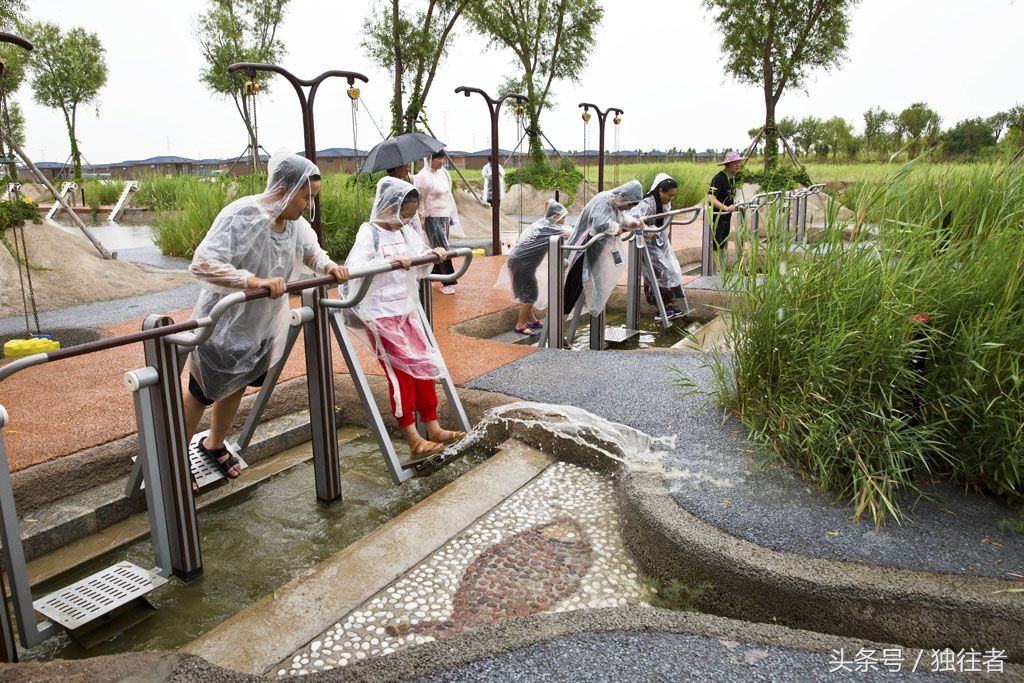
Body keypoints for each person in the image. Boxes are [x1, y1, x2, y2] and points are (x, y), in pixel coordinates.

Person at [185, 151, 349, 487]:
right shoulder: (241, 215)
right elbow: (202, 264)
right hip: (224, 325)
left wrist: (329, 266)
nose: (309, 205)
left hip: (260, 327)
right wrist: (252, 281)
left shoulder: (294, 224)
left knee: (238, 383)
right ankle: (174, 458)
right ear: (284, 190)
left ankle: (214, 443)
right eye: (306, 197)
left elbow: (311, 252)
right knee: (201, 393)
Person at [343, 176, 466, 463]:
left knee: (423, 365)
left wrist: (432, 255)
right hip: (379, 314)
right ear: (388, 207)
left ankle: (433, 428)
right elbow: (356, 269)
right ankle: (412, 438)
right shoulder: (370, 233)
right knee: (400, 374)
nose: (407, 220)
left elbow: (419, 259)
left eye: (410, 215)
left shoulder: (404, 231)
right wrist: (388, 264)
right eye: (404, 214)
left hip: (404, 311)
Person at [562, 180, 645, 316]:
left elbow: (620, 218)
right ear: (623, 197)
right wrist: (617, 229)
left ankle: (572, 320)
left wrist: (634, 223)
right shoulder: (603, 200)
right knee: (572, 287)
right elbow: (600, 224)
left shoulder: (614, 203)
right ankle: (558, 323)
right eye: (629, 204)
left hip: (594, 249)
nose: (627, 208)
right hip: (581, 249)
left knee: (591, 283)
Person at [494, 199, 573, 336]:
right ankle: (520, 325)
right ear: (555, 216)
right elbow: (571, 234)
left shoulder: (540, 224)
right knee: (530, 294)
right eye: (563, 217)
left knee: (526, 292)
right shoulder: (551, 228)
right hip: (523, 264)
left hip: (516, 260)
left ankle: (532, 320)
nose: (564, 220)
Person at [629, 173, 687, 319]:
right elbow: (632, 218)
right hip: (647, 245)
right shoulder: (648, 204)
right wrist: (647, 230)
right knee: (660, 273)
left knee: (672, 271)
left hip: (660, 244)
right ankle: (661, 308)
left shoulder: (665, 204)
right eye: (669, 195)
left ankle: (668, 305)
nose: (670, 198)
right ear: (660, 190)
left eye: (673, 196)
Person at [413, 150, 460, 295]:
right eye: (438, 159)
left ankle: (436, 274)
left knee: (439, 246)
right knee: (442, 247)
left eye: (442, 158)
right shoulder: (422, 176)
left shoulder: (443, 174)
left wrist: (451, 214)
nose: (441, 161)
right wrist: (421, 217)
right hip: (431, 216)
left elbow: (448, 195)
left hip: (444, 214)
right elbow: (420, 199)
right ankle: (448, 281)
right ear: (430, 159)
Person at [708, 151, 745, 252]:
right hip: (717, 217)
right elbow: (711, 198)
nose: (738, 165)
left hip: (726, 216)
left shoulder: (732, 178)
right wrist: (726, 208)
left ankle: (721, 262)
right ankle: (714, 263)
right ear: (727, 164)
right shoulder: (719, 178)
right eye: (735, 163)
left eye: (738, 162)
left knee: (723, 242)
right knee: (716, 244)